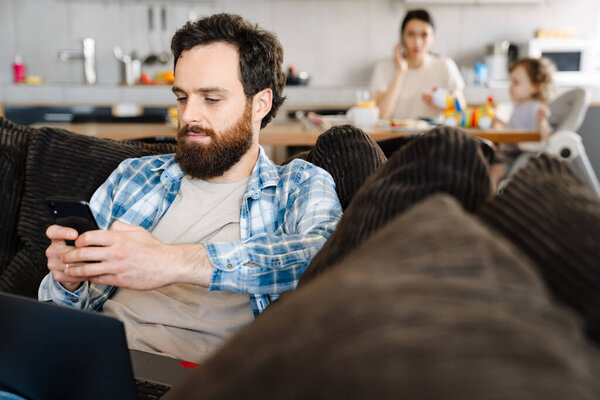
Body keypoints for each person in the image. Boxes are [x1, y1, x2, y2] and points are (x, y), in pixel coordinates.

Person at [38, 13, 342, 362]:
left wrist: (171, 262)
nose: (188, 116)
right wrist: (68, 281)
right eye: (182, 97)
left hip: (195, 379)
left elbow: (326, 261)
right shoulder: (135, 176)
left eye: (211, 99)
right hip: (92, 358)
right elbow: (63, 306)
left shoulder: (299, 185)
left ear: (260, 104)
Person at [370, 9, 466, 121]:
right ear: (402, 37)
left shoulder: (444, 65)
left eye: (424, 35)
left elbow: (461, 107)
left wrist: (443, 100)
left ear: (432, 37)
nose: (417, 42)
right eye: (411, 34)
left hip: (434, 136)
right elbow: (381, 114)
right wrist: (400, 71)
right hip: (394, 137)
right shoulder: (384, 68)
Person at [489, 57, 555, 187]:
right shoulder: (521, 107)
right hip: (506, 154)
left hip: (514, 157)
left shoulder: (537, 108)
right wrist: (502, 123)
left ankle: (489, 202)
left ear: (535, 86)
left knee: (494, 172)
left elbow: (547, 137)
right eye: (510, 82)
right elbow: (517, 128)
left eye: (516, 82)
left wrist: (542, 121)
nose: (511, 87)